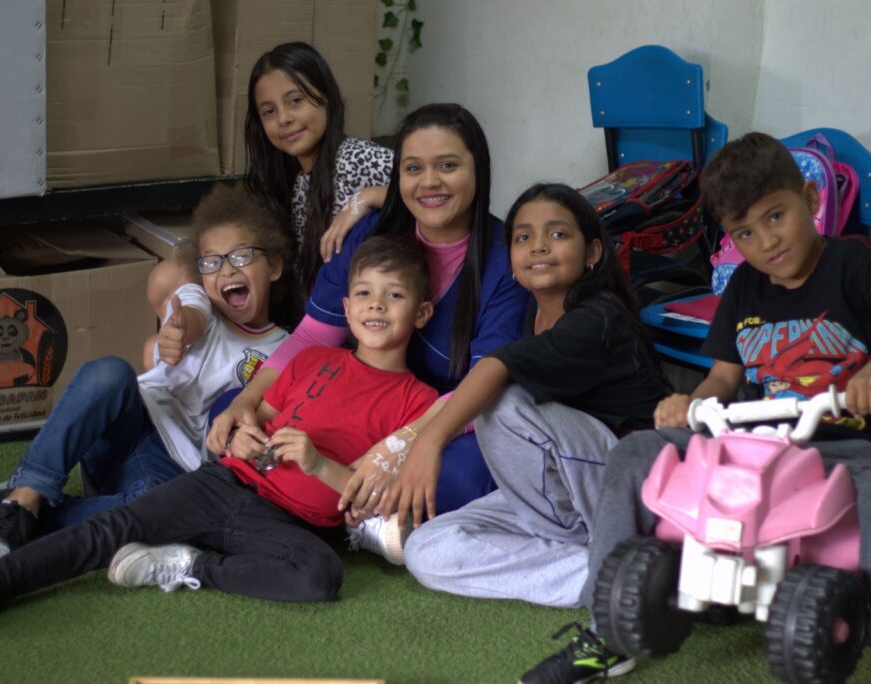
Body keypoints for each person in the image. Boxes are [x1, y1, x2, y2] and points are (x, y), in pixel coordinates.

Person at [520, 132, 871, 684]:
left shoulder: (855, 263)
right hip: (751, 442)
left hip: (843, 445)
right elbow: (725, 376)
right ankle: (606, 631)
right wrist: (691, 404)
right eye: (744, 232)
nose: (766, 242)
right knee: (635, 451)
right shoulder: (745, 287)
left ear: (810, 199)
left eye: (776, 217)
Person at [0, 235, 439, 629]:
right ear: (346, 305)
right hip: (225, 481)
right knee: (114, 528)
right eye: (364, 293)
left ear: (421, 313)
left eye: (394, 295)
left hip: (288, 523)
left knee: (320, 576)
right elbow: (253, 415)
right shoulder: (313, 359)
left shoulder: (418, 402)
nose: (376, 305)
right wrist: (240, 434)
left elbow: (375, 498)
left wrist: (318, 464)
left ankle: (189, 563)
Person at [208, 103, 529, 526]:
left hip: (447, 420)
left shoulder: (504, 262)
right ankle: (354, 507)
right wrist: (249, 402)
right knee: (228, 407)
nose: (429, 182)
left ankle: (345, 512)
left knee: (460, 476)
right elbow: (310, 338)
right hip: (360, 403)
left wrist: (400, 446)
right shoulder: (370, 232)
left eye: (448, 165)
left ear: (478, 169)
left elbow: (485, 385)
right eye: (413, 169)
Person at [0, 184, 290, 568]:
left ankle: (7, 504)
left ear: (273, 266)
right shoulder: (200, 301)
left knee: (166, 514)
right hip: (128, 423)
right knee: (109, 372)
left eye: (241, 256)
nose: (227, 270)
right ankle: (24, 498)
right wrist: (177, 331)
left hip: (166, 472)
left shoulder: (287, 349)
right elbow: (190, 315)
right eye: (212, 262)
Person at [391, 183, 668, 611]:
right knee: (427, 549)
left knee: (501, 401)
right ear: (513, 261)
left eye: (558, 234)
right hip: (565, 495)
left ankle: (622, 556)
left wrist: (428, 441)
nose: (539, 246)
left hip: (633, 488)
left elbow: (497, 367)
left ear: (593, 252)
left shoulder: (599, 316)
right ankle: (618, 574)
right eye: (523, 237)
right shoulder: (531, 313)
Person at [142, 40, 393, 357]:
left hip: (353, 334)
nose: (284, 118)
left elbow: (432, 188)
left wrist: (370, 197)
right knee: (170, 277)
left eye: (296, 101)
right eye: (269, 111)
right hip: (296, 324)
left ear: (326, 97)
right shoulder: (292, 180)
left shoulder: (355, 158)